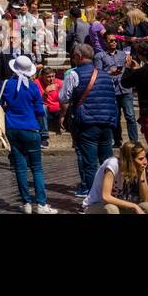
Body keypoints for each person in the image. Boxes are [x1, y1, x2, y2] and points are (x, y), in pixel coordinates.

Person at [59, 43, 118, 198]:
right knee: (107, 161)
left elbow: (63, 97)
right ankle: (110, 193)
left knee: (90, 163)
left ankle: (93, 196)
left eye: (73, 56)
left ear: (79, 56)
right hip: (107, 121)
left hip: (87, 122)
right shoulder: (106, 74)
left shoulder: (74, 74)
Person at [0, 55, 55, 213]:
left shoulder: (7, 84)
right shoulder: (33, 87)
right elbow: (39, 111)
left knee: (20, 168)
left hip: (12, 129)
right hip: (30, 128)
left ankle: (26, 204)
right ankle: (42, 204)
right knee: (36, 168)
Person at [84, 141, 148, 214]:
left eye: (144, 157)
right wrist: (134, 206)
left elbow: (146, 199)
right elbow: (106, 197)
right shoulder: (113, 165)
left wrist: (141, 175)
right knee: (111, 209)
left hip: (120, 205)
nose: (145, 162)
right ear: (129, 160)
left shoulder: (138, 167)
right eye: (140, 159)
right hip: (96, 206)